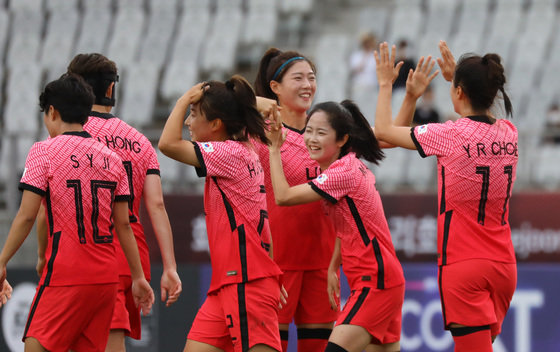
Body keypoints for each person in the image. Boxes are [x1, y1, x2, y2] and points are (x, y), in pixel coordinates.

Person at [374, 41, 518, 351]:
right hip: (504, 266)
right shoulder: (509, 132)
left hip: (464, 266)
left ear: (459, 92)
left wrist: (389, 84)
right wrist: (462, 83)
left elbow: (384, 132)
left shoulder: (447, 135)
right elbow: (483, 113)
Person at [0, 73, 154, 352]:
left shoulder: (43, 152)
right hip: (106, 277)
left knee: (35, 347)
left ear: (52, 112)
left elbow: (27, 215)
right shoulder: (112, 158)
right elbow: (124, 224)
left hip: (65, 274)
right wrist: (139, 277)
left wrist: (2, 260)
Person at [61, 53, 182, 351]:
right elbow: (156, 205)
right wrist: (170, 266)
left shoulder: (71, 134)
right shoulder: (140, 140)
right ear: (111, 90)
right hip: (132, 259)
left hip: (88, 252)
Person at [158, 75, 284, 352]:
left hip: (245, 280)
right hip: (232, 282)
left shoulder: (228, 153)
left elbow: (167, 144)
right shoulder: (244, 148)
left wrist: (182, 100)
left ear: (216, 125)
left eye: (193, 115)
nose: (188, 122)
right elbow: (260, 106)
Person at [253, 48, 338, 352]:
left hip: (322, 265)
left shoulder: (330, 135)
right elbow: (221, 103)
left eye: (312, 78)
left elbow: (381, 138)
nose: (307, 85)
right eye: (298, 78)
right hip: (277, 265)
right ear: (275, 87)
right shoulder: (260, 135)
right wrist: (262, 105)